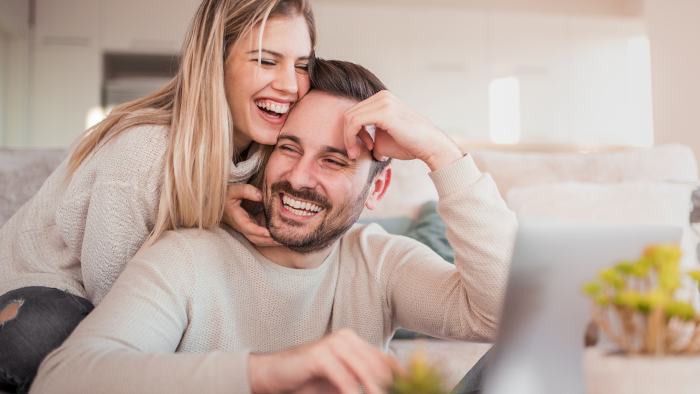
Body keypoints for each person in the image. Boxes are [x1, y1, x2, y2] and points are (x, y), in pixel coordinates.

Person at [30, 59, 518, 394]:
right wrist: (268, 373)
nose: (299, 178)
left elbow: (506, 315)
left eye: (335, 160)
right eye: (289, 148)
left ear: (377, 188)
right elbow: (64, 380)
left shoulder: (380, 261)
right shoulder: (187, 257)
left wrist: (441, 152)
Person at [0, 0, 316, 392]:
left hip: (129, 302)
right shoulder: (144, 150)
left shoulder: (267, 150)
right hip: (54, 289)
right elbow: (114, 301)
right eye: (267, 61)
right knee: (41, 337)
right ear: (215, 62)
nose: (291, 84)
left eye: (302, 65)